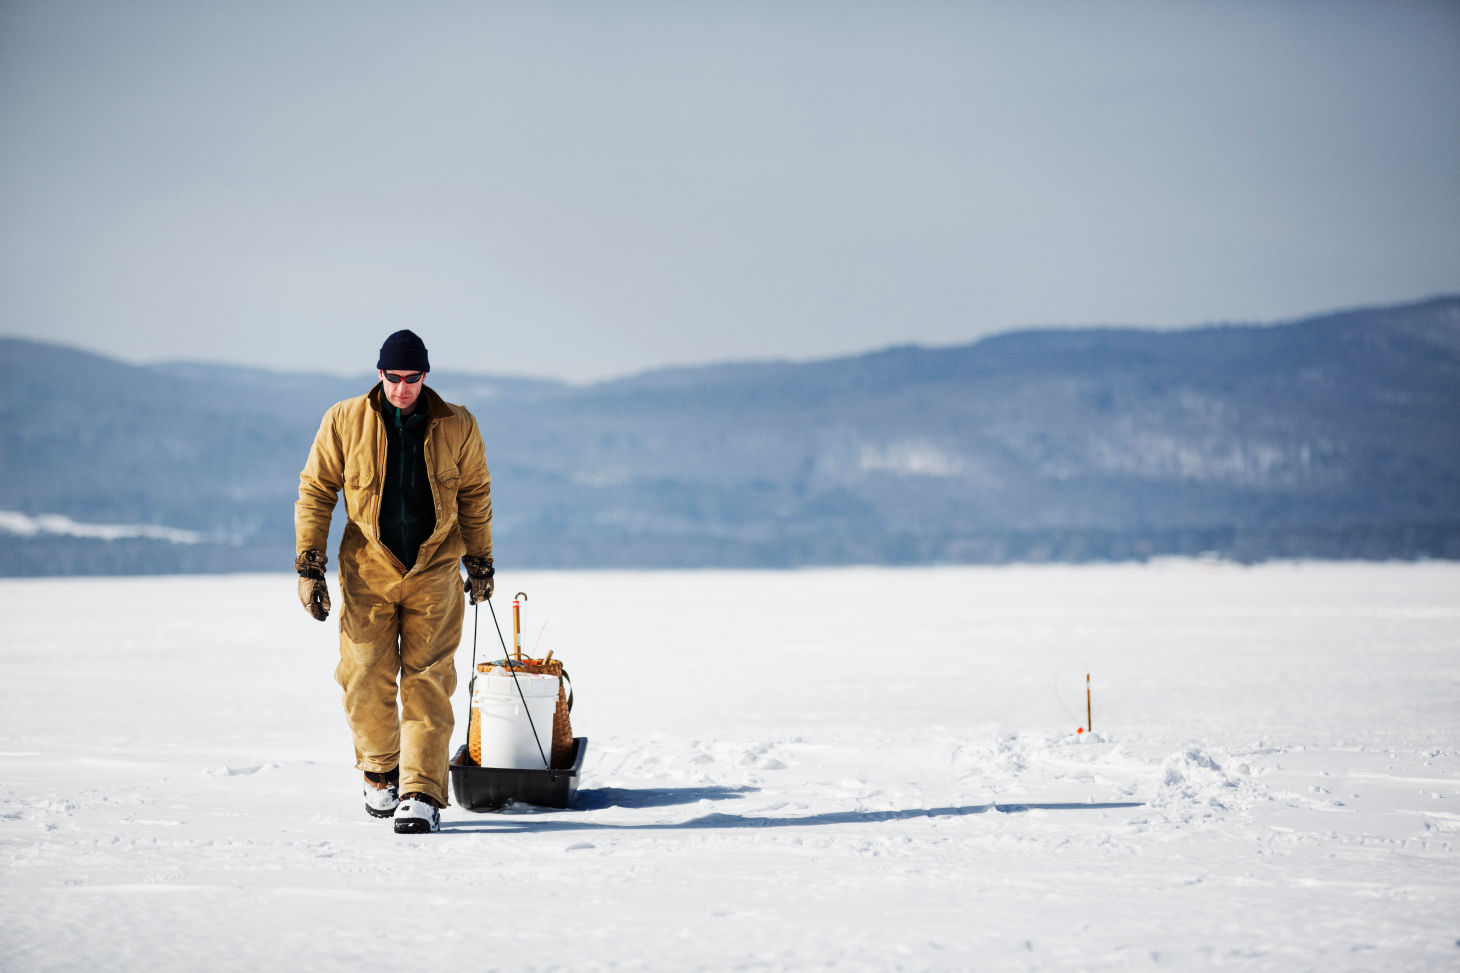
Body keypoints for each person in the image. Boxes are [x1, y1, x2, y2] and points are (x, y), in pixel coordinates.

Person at [294, 330, 495, 834]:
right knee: (364, 674)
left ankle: (421, 792)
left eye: (412, 378)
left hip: (435, 570)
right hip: (368, 570)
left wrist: (481, 561)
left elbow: (474, 494)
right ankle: (381, 773)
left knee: (428, 680)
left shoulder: (458, 424)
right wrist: (309, 567)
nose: (402, 388)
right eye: (393, 377)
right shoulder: (344, 420)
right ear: (378, 373)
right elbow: (316, 491)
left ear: (426, 377)